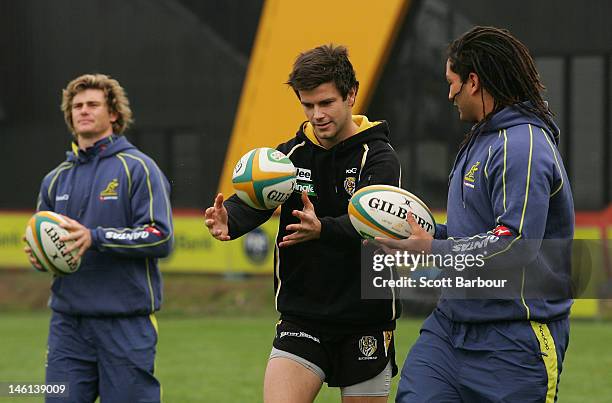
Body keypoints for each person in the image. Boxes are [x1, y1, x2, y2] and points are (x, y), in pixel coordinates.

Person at [375, 26, 574, 402]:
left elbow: (514, 243)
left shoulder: (523, 145)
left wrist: (432, 250)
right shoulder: (481, 139)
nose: (449, 94)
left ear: (473, 81)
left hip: (514, 341)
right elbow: (477, 236)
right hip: (450, 330)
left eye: (452, 82)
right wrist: (424, 235)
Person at [205, 44, 402, 402]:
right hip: (304, 316)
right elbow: (259, 197)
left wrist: (324, 229)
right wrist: (229, 219)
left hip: (365, 318)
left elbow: (378, 224)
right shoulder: (291, 155)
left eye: (326, 103)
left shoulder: (378, 157)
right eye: (308, 105)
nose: (317, 115)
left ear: (351, 94)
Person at [23, 74, 173, 403]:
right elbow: (43, 242)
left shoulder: (139, 168)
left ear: (114, 113)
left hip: (125, 324)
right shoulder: (54, 180)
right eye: (77, 106)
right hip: (68, 326)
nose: (83, 111)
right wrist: (39, 255)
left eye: (93, 104)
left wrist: (95, 237)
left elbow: (159, 236)